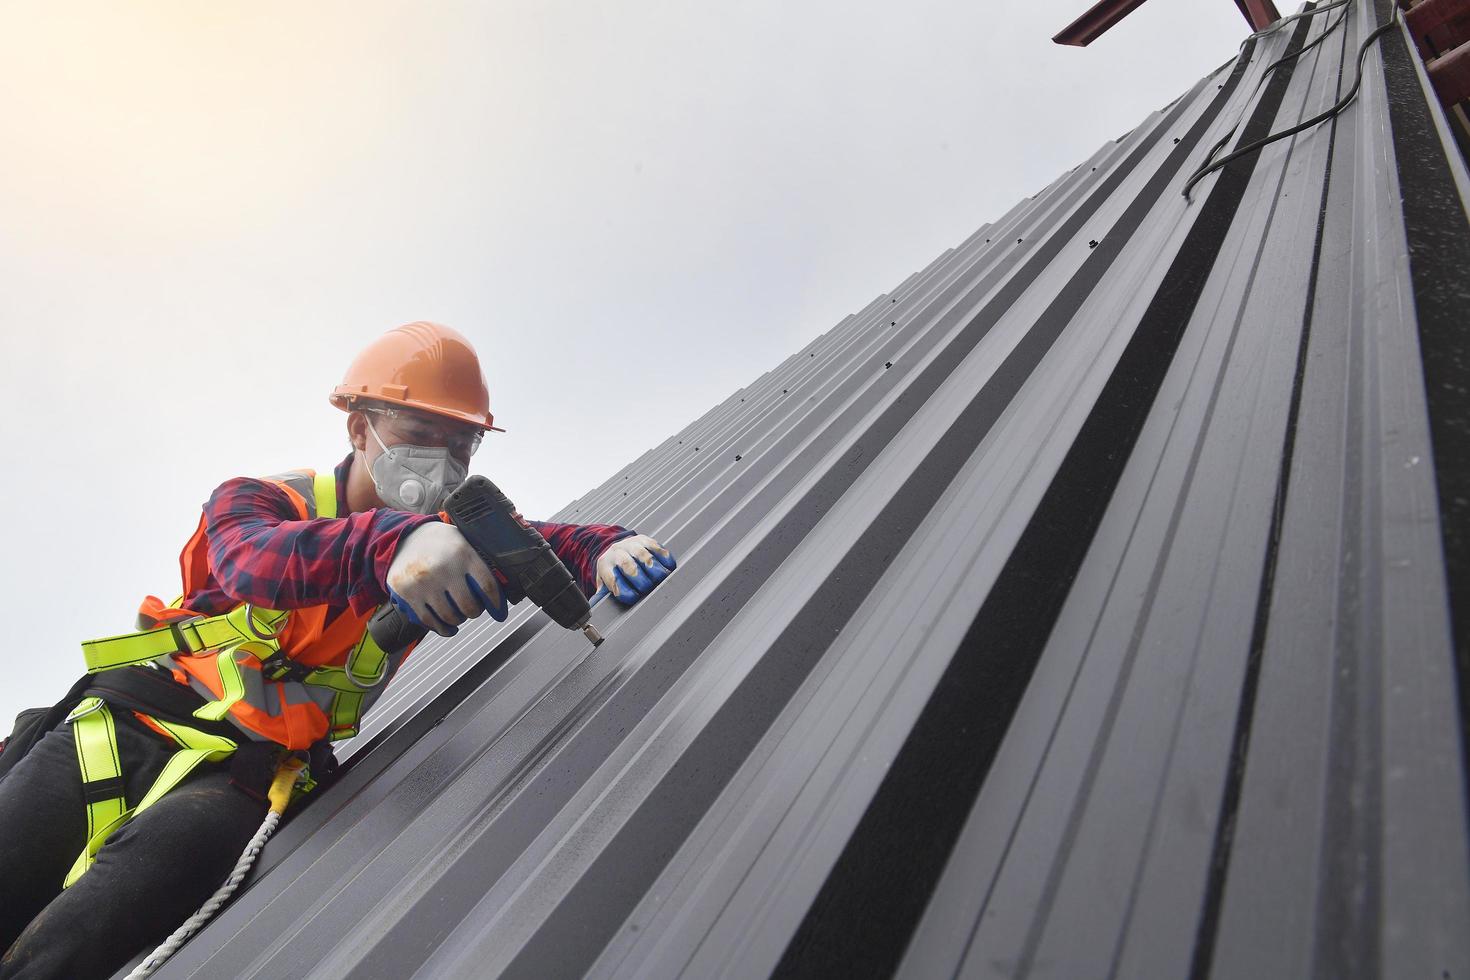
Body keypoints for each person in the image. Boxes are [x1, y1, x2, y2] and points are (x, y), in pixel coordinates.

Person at [0, 321, 674, 979]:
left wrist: (608, 547)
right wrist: (391, 544)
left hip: (249, 777)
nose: (442, 461)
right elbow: (253, 563)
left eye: (462, 446)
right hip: (130, 722)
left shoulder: (449, 542)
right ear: (360, 427)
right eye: (419, 434)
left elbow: (545, 544)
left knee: (127, 896)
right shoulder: (259, 501)